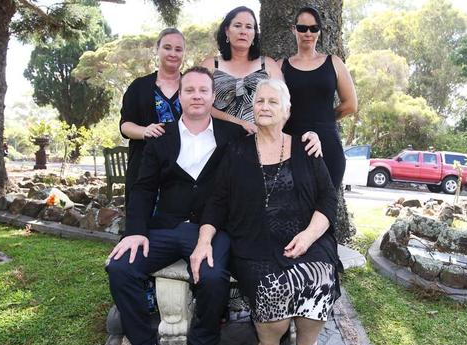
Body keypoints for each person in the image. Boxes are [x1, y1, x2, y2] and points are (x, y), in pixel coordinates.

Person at [106, 67, 323, 345]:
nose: (196, 96)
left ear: (212, 97)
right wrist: (135, 231)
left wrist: (312, 136)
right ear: (180, 96)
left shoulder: (232, 135)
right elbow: (142, 189)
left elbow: (275, 129)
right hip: (166, 227)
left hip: (213, 227)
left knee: (210, 276)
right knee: (120, 268)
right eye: (190, 90)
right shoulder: (160, 136)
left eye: (203, 90)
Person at [192, 79, 341, 345]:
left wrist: (309, 236)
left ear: (287, 111)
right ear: (252, 108)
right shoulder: (235, 152)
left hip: (307, 240)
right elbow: (217, 203)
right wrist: (203, 241)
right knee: (272, 287)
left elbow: (328, 199)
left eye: (273, 102)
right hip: (255, 244)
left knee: (320, 275)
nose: (265, 106)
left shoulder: (306, 147)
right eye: (260, 101)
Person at [278, 7, 357, 190]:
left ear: (319, 31)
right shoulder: (280, 66)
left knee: (325, 207)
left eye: (314, 28)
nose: (308, 33)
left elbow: (351, 105)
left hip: (328, 145)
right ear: (293, 29)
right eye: (302, 28)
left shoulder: (334, 63)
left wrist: (325, 119)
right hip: (291, 145)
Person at [119, 28, 184, 205]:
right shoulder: (139, 87)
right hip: (143, 169)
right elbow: (125, 125)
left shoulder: (192, 87)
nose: (173, 53)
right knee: (141, 222)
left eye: (178, 49)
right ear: (157, 49)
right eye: (167, 47)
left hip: (183, 172)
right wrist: (144, 131)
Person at [202, 6, 283, 135]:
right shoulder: (210, 65)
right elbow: (201, 104)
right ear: (227, 31)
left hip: (260, 140)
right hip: (218, 141)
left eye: (249, 27)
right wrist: (238, 122)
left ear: (254, 34)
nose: (243, 31)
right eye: (238, 25)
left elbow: (283, 105)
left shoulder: (268, 65)